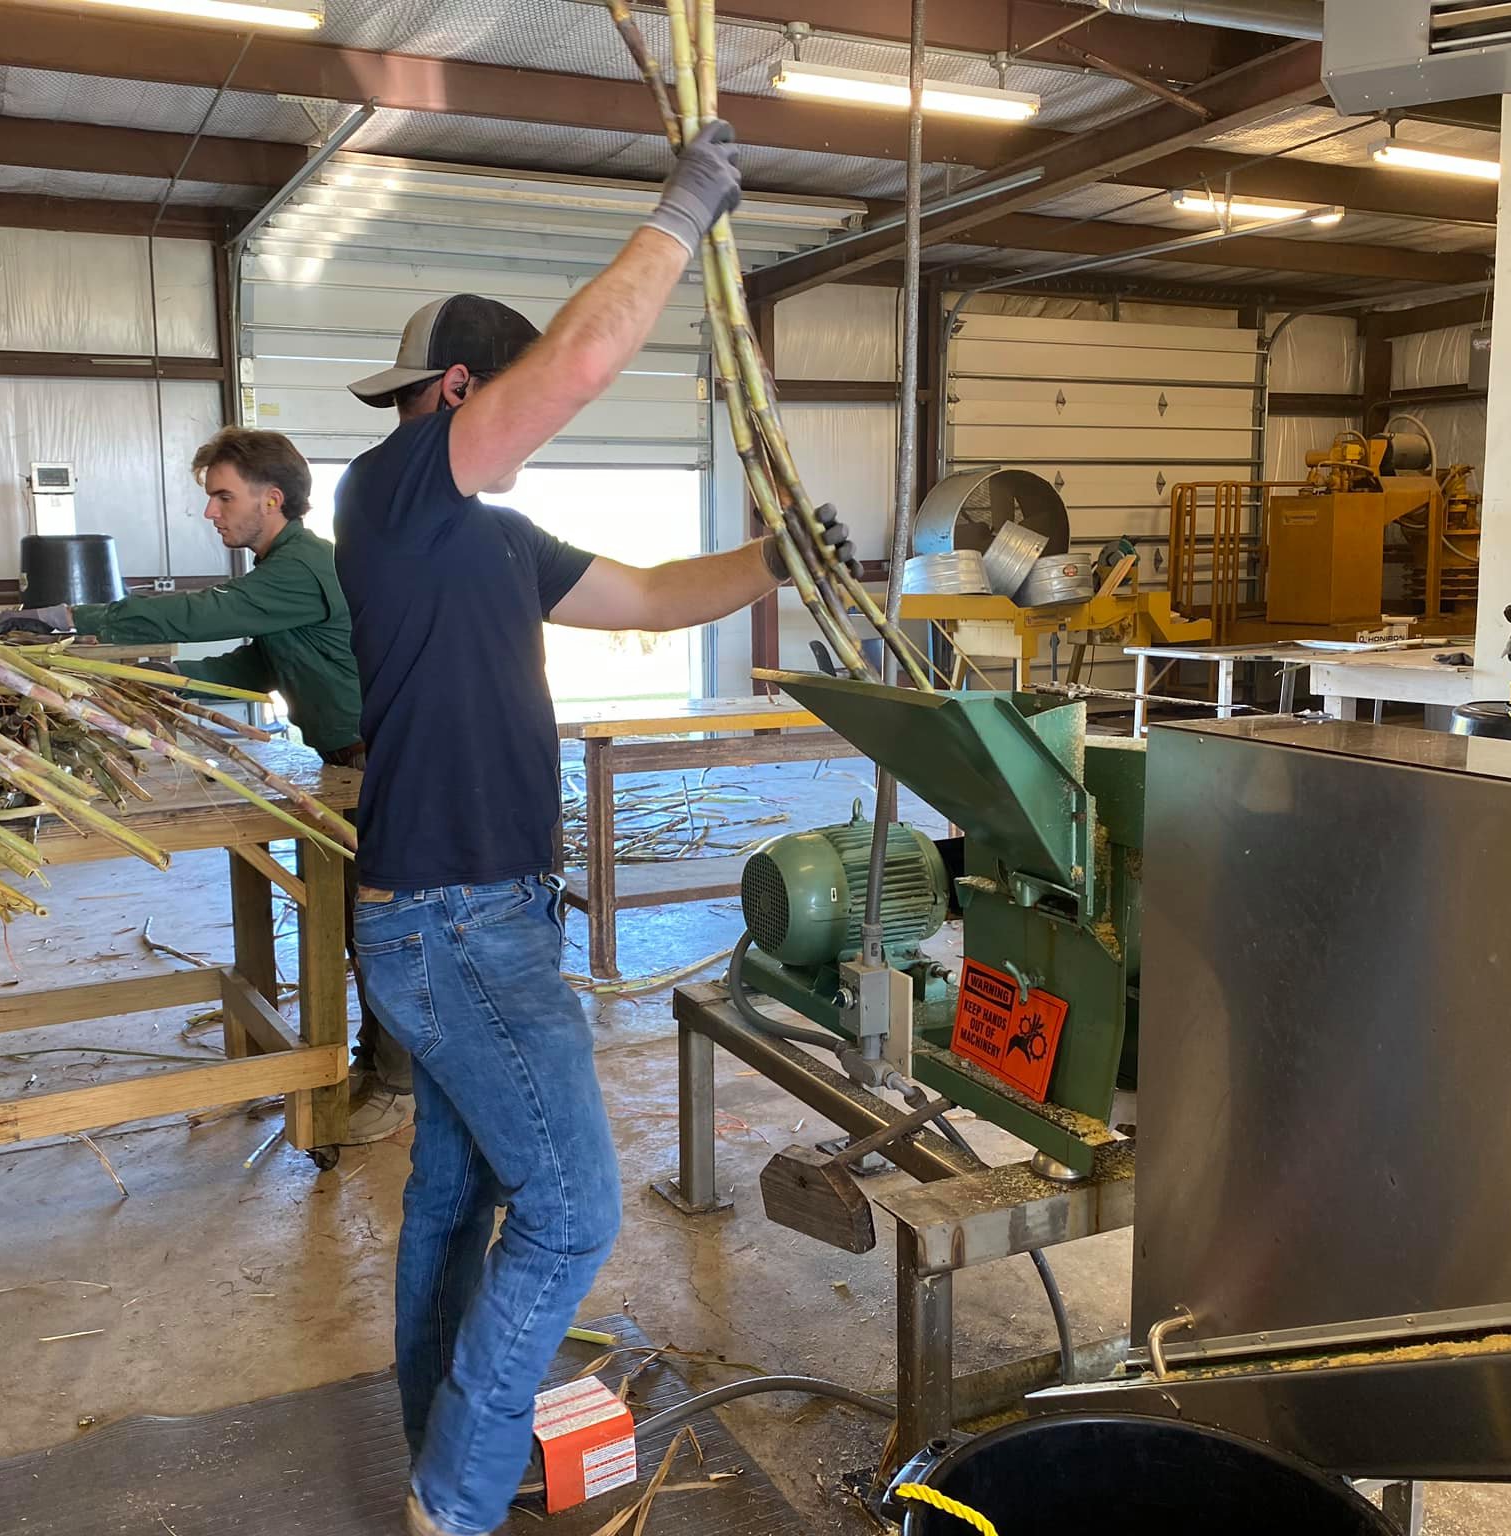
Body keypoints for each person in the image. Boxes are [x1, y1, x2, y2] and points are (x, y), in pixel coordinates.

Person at [335, 122, 855, 1536]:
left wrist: (781, 557)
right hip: (452, 925)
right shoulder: (390, 494)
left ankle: (441, 1445)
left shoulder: (493, 540)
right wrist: (685, 208)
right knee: (570, 1214)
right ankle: (454, 1499)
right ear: (460, 395)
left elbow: (648, 595)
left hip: (471, 914)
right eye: (496, 404)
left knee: (457, 1194)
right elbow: (574, 365)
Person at [0, 428, 412, 1142]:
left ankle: (397, 1083)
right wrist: (145, 683)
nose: (211, 513)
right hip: (348, 762)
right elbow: (252, 667)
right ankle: (377, 1064)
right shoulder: (282, 575)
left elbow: (203, 614)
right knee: (357, 924)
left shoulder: (301, 568)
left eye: (222, 497)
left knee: (377, 927)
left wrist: (72, 619)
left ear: (271, 500)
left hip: (383, 763)